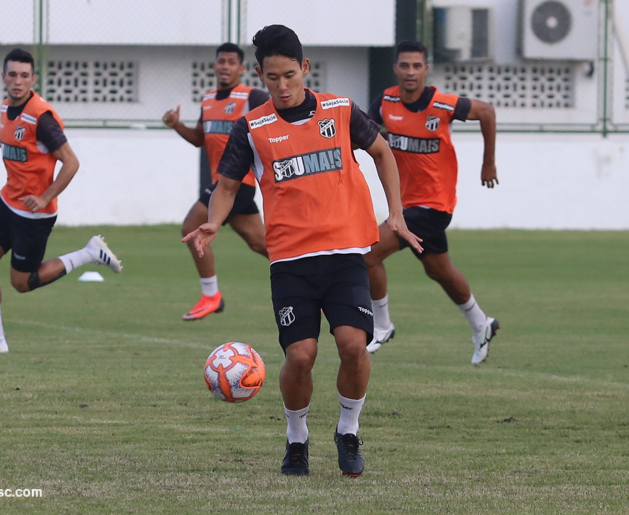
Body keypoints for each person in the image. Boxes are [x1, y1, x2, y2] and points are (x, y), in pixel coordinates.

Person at [184, 25, 421, 477]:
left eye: (290, 75)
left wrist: (396, 213)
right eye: (272, 78)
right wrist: (214, 220)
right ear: (260, 74)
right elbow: (228, 185)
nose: (282, 86)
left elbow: (383, 153)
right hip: (291, 261)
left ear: (305, 68)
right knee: (301, 356)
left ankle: (348, 431)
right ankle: (297, 440)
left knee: (354, 345)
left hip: (346, 254)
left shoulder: (340, 110)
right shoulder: (252, 127)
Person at [0, 48, 122, 354]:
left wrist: (45, 197)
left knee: (22, 282)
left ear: (33, 79)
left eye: (24, 76)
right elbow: (5, 136)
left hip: (33, 214)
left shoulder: (42, 118)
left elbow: (71, 163)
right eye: (12, 74)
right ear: (3, 77)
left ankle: (88, 253)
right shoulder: (6, 106)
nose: (17, 81)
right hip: (7, 200)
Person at [364, 40, 500, 364]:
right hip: (407, 206)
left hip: (434, 206)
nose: (410, 72)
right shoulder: (385, 102)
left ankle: (381, 325)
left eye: (416, 66)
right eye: (404, 65)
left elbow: (487, 111)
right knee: (440, 271)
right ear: (395, 68)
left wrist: (488, 162)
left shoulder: (442, 105)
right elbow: (363, 131)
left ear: (426, 69)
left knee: (367, 254)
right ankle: (482, 324)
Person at [163, 43, 270, 321]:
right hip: (223, 186)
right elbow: (200, 139)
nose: (225, 66)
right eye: (221, 61)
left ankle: (211, 296)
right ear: (214, 66)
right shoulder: (208, 100)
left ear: (242, 69)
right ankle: (312, 276)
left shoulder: (253, 97)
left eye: (231, 62)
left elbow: (274, 122)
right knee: (263, 245)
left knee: (191, 227)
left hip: (238, 183)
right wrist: (177, 125)